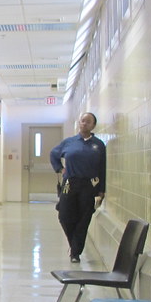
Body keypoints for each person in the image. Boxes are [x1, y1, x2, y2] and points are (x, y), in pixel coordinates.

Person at [50, 112, 107, 262]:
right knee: (64, 215)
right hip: (69, 182)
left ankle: (75, 253)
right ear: (79, 123)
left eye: (88, 121)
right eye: (82, 121)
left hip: (89, 184)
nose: (84, 123)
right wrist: (60, 168)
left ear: (93, 125)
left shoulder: (98, 145)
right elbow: (54, 154)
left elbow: (102, 168)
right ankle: (73, 243)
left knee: (84, 216)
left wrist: (102, 190)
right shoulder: (69, 142)